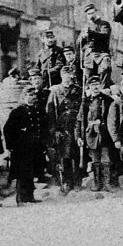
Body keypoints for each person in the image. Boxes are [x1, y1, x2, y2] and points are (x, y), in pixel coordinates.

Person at [3, 86, 47, 205]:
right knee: (22, 173)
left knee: (32, 172)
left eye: (34, 95)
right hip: (21, 149)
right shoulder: (18, 111)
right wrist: (11, 147)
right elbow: (8, 130)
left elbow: (42, 128)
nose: (33, 98)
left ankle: (30, 196)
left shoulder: (38, 111)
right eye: (30, 95)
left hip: (34, 147)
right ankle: (21, 197)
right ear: (24, 96)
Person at [47, 65, 83, 193]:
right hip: (62, 128)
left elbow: (82, 109)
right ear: (62, 76)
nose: (69, 79)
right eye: (66, 76)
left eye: (71, 76)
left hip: (76, 126)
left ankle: (78, 180)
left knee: (77, 153)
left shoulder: (78, 90)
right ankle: (66, 181)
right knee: (64, 155)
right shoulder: (55, 91)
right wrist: (54, 130)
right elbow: (50, 113)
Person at [77, 76, 114, 192]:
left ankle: (107, 184)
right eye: (93, 85)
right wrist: (79, 136)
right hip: (91, 135)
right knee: (95, 161)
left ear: (101, 86)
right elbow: (80, 120)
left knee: (106, 160)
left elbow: (113, 118)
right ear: (89, 87)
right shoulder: (85, 102)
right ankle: (97, 184)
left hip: (104, 134)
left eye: (97, 84)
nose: (95, 87)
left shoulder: (108, 100)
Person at [78, 4, 113, 87]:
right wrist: (83, 37)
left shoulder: (104, 24)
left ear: (96, 12)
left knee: (105, 69)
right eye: (88, 14)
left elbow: (104, 35)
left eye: (92, 13)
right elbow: (78, 43)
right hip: (89, 56)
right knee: (88, 77)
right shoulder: (85, 27)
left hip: (101, 54)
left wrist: (90, 33)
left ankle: (104, 90)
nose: (90, 16)